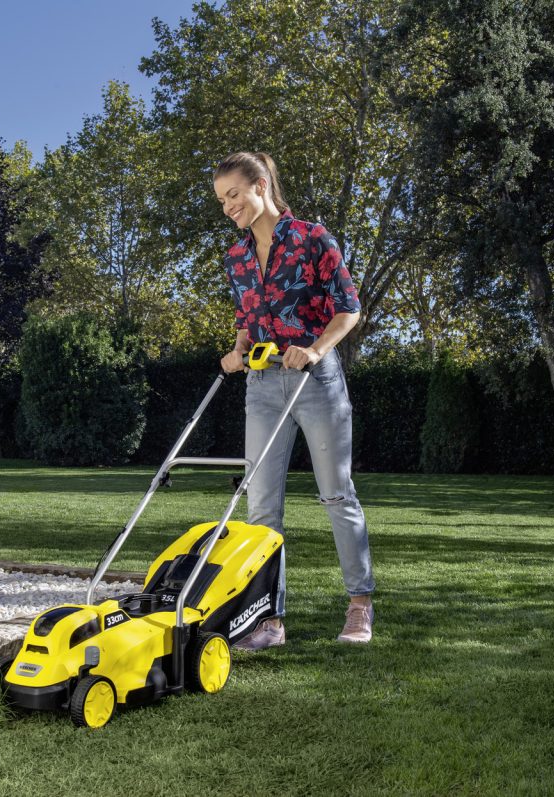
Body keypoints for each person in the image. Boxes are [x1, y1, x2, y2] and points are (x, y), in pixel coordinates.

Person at [213, 151, 375, 648]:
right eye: (222, 200)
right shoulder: (237, 258)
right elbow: (248, 320)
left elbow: (349, 309)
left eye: (234, 194)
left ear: (261, 185)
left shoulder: (312, 238)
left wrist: (315, 349)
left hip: (315, 382)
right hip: (261, 387)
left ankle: (360, 605)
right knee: (260, 505)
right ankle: (269, 621)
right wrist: (238, 349)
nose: (228, 207)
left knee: (335, 494)